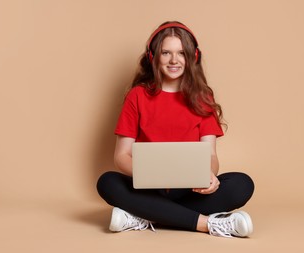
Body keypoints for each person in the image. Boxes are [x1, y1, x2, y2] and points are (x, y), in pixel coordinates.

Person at [96, 21, 255, 238]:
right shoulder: (137, 96)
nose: (174, 60)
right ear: (153, 57)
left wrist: (209, 175)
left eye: (181, 53)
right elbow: (121, 156)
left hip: (188, 189)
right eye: (166, 53)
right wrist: (155, 175)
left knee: (242, 184)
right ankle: (207, 224)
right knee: (107, 182)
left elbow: (210, 155)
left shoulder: (203, 97)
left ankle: (144, 216)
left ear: (193, 57)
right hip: (147, 187)